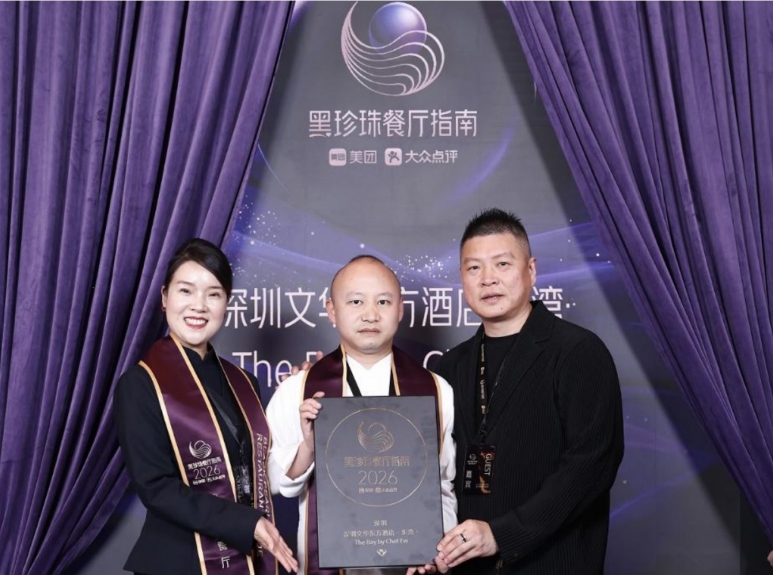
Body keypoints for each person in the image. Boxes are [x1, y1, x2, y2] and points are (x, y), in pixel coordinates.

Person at [430, 208, 625, 574]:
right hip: (467, 566)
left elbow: (590, 466)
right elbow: (428, 465)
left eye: (502, 264)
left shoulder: (578, 352)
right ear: (462, 279)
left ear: (531, 270)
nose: (488, 279)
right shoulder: (450, 366)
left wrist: (502, 535)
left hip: (554, 563)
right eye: (474, 268)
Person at [114, 238, 298, 575]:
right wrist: (247, 523)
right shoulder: (141, 384)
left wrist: (300, 390)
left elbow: (260, 469)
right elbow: (156, 488)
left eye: (213, 294)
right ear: (165, 297)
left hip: (245, 557)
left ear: (226, 303)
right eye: (186, 291)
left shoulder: (244, 382)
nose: (198, 306)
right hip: (175, 563)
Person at [266, 255, 457, 575]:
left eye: (383, 301)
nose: (370, 314)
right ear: (331, 310)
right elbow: (270, 479)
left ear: (400, 309)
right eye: (356, 301)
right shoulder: (297, 390)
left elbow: (443, 486)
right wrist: (309, 448)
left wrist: (435, 549)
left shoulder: (437, 390)